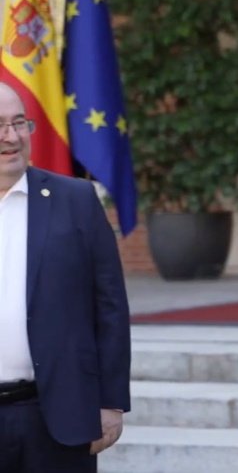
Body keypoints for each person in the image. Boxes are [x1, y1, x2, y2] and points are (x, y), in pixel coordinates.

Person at [0, 83, 131, 472]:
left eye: (18, 123)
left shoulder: (75, 200)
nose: (10, 137)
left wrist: (110, 401)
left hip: (56, 417)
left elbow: (108, 305)